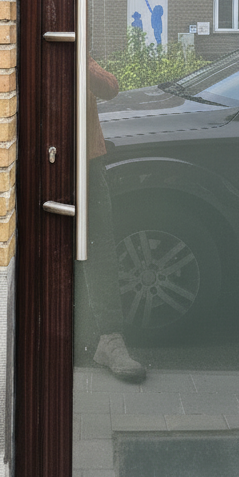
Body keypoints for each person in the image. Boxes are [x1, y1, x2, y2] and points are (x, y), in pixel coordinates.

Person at [76, 58, 147, 384]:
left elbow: (110, 88)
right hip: (43, 154)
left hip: (86, 161)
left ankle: (110, 340)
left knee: (100, 246)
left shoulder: (80, 52)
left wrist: (81, 61)